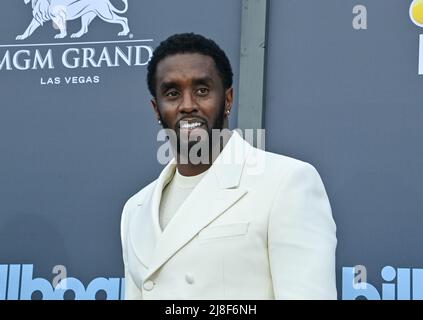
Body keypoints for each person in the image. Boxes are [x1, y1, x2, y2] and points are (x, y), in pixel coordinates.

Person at [120, 33, 337, 300]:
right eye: (172, 93)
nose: (188, 105)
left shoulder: (286, 182)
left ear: (228, 99)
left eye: (202, 90)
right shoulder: (136, 209)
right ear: (156, 108)